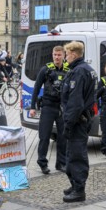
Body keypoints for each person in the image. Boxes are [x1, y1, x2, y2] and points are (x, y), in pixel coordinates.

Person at [61, 41, 98, 203]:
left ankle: (79, 190)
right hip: (82, 117)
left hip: (77, 120)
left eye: (67, 54)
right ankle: (74, 184)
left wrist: (68, 124)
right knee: (72, 153)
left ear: (74, 54)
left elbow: (75, 102)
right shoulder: (85, 69)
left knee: (76, 155)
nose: (65, 57)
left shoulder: (79, 72)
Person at [29, 46, 68, 174]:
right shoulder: (45, 70)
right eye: (55, 54)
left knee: (63, 137)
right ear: (52, 55)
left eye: (59, 55)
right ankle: (42, 163)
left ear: (63, 55)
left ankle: (61, 163)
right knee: (44, 136)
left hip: (62, 108)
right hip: (48, 106)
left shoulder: (69, 70)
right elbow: (36, 88)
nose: (57, 57)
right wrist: (32, 107)